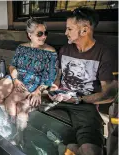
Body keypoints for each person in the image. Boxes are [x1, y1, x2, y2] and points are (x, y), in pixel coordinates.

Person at [47, 7, 115, 155]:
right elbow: (58, 77)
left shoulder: (103, 53)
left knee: (89, 150)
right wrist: (54, 87)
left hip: (85, 106)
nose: (65, 33)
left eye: (69, 29)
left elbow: (109, 95)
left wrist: (78, 99)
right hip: (59, 100)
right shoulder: (65, 50)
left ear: (84, 31)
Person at [0, 17, 57, 123]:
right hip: (17, 76)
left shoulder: (50, 52)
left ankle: (11, 125)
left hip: (33, 80)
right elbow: (12, 66)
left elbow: (50, 77)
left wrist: (38, 91)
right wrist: (15, 80)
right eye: (39, 34)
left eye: (45, 33)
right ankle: (6, 113)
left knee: (11, 101)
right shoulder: (21, 47)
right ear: (29, 34)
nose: (44, 36)